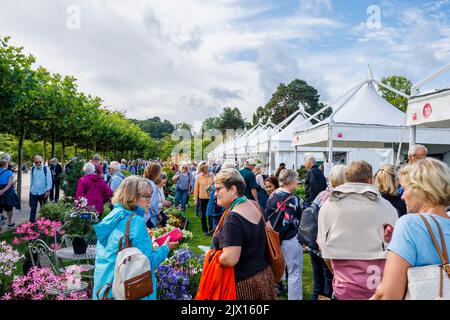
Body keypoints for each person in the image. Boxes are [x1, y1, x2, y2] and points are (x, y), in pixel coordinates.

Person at [317, 161, 398, 300]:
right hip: (377, 288)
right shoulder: (386, 206)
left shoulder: (329, 206)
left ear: (347, 178)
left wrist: (336, 272)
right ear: (369, 179)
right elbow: (396, 249)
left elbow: (323, 247)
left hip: (344, 288)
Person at [372, 158, 450, 300]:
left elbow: (389, 294)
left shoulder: (410, 224)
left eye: (405, 188)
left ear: (420, 190)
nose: (402, 196)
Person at [93, 176, 178, 300]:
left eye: (151, 195)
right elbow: (149, 262)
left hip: (105, 287)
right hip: (126, 289)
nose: (150, 200)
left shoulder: (113, 215)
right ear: (132, 197)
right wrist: (165, 248)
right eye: (146, 196)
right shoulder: (135, 221)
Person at [212, 168, 276, 299]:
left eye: (219, 189)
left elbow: (230, 259)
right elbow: (272, 233)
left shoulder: (233, 217)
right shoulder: (254, 205)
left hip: (245, 284)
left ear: (233, 189)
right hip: (264, 276)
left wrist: (211, 257)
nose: (215, 193)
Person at [307, 164, 347, 300]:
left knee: (318, 284)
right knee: (330, 284)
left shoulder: (322, 195)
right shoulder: (343, 198)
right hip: (330, 248)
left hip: (314, 244)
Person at [266, 169, 304, 300]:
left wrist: (275, 239)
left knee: (278, 270)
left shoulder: (272, 195)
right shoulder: (293, 200)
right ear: (291, 182)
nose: (297, 183)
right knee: (294, 273)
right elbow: (288, 223)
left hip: (274, 238)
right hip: (289, 239)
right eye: (296, 181)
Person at [206, 161, 236, 231]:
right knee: (218, 232)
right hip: (219, 210)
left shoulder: (228, 181)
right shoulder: (221, 180)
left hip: (221, 210)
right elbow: (214, 195)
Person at [29, 155, 53, 222]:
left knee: (44, 209)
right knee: (33, 208)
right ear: (34, 162)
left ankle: (44, 224)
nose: (38, 163)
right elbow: (31, 180)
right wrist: (30, 191)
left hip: (43, 192)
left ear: (42, 161)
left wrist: (48, 190)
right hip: (33, 192)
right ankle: (31, 223)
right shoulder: (33, 169)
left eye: (40, 162)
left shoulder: (46, 169)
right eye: (37, 162)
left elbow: (49, 180)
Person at [194, 163, 214, 234]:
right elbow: (196, 189)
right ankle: (205, 230)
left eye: (207, 168)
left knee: (211, 213)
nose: (206, 170)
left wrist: (211, 187)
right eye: (205, 168)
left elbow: (214, 185)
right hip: (202, 198)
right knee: (203, 214)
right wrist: (195, 199)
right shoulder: (199, 176)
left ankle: (211, 230)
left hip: (211, 197)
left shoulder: (211, 175)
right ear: (201, 169)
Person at [143, 162, 162, 229]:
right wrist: (157, 213)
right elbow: (152, 204)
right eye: (159, 172)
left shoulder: (143, 181)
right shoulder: (152, 186)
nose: (160, 174)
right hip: (150, 216)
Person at [0, 158, 16, 228]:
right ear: (6, 165)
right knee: (9, 208)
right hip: (8, 193)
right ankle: (9, 223)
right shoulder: (10, 172)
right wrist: (3, 191)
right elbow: (9, 184)